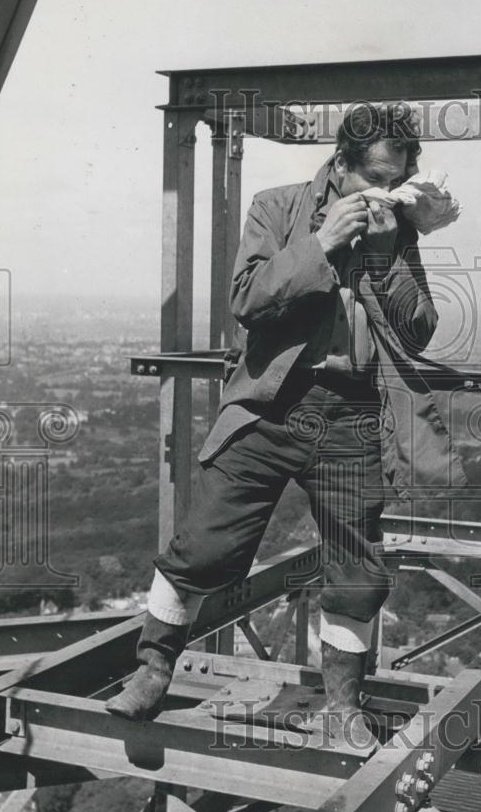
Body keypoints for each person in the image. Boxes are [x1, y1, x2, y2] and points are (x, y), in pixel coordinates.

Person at [106, 102, 438, 748]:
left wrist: (384, 254)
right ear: (338, 165)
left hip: (349, 413)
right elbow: (247, 299)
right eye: (371, 177)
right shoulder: (276, 207)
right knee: (205, 546)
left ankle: (342, 706)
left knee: (356, 571)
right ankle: (152, 668)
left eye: (392, 181)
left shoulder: (394, 230)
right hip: (269, 406)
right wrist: (320, 246)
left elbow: (419, 329)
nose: (381, 193)